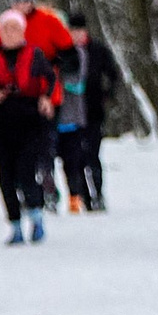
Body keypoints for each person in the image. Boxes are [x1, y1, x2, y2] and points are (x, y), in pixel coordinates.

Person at [0, 0, 76, 208]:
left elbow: (71, 56)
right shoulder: (5, 24)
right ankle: (26, 190)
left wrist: (51, 62)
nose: (21, 6)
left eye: (25, 1)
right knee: (18, 151)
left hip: (47, 97)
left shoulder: (49, 21)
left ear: (32, 1)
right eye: (17, 2)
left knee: (44, 147)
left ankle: (47, 186)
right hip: (14, 101)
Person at [0, 10, 61, 246]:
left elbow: (51, 79)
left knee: (27, 173)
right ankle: (15, 225)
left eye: (15, 28)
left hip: (29, 121)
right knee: (5, 177)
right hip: (2, 122)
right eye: (5, 29)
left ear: (23, 31)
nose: (10, 33)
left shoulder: (35, 55)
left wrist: (46, 98)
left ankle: (36, 218)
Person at [57, 14, 124, 211]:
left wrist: (107, 94)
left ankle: (98, 194)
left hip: (93, 110)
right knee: (75, 157)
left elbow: (113, 74)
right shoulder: (64, 53)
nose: (76, 35)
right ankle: (84, 196)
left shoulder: (98, 50)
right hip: (71, 113)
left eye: (79, 31)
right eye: (73, 31)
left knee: (93, 155)